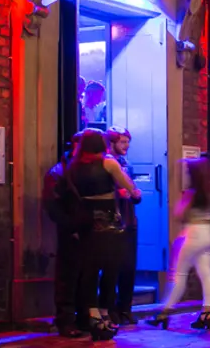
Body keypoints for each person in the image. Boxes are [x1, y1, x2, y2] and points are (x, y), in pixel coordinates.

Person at [62, 128, 140, 341]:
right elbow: (128, 187)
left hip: (85, 221)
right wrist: (134, 193)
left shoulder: (74, 167)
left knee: (89, 271)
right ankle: (106, 314)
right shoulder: (109, 163)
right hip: (107, 222)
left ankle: (94, 316)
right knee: (111, 267)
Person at [148, 158, 210, 331]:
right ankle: (206, 314)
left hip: (192, 234)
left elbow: (178, 214)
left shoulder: (191, 193)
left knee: (178, 274)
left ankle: (164, 313)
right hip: (208, 234)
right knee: (206, 274)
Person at [43, 133, 86, 337]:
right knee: (67, 277)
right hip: (71, 232)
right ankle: (66, 321)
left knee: (85, 276)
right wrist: (71, 228)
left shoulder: (84, 170)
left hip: (87, 231)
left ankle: (84, 317)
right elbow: (53, 205)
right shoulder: (58, 172)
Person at [106, 128, 140, 325]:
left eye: (128, 141)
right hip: (114, 220)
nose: (126, 146)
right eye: (122, 142)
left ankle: (125, 308)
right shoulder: (106, 163)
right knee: (112, 268)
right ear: (111, 143)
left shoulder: (127, 163)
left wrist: (134, 194)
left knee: (129, 266)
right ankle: (110, 310)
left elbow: (132, 190)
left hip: (129, 219)